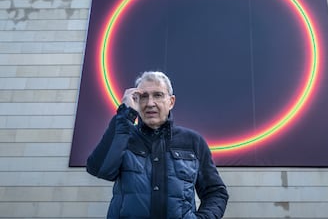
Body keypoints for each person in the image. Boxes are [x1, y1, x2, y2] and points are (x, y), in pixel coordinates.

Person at [86, 71, 229, 218]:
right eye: (143, 97)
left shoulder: (193, 141)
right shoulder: (124, 136)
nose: (150, 103)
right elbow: (99, 169)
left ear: (171, 102)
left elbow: (215, 192)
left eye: (158, 95)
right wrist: (125, 115)